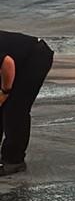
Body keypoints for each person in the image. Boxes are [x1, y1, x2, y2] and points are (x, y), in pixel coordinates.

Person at [0, 31, 55, 176]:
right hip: (15, 59)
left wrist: (5, 91)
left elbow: (7, 64)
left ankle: (14, 161)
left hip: (35, 57)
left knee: (15, 109)